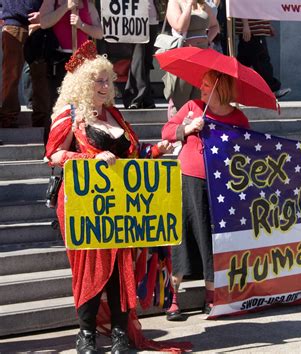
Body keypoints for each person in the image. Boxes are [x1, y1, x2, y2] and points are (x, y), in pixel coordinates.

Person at [44, 40, 175, 353]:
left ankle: (119, 333)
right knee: (89, 269)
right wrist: (91, 159)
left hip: (119, 206)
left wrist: (158, 150)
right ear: (81, 83)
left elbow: (133, 155)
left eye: (108, 79)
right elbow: (53, 155)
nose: (105, 85)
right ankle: (86, 334)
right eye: (97, 80)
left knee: (120, 270)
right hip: (83, 206)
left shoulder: (115, 115)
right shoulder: (70, 116)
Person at [161, 70, 250, 321]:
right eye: (201, 84)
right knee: (183, 237)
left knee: (212, 241)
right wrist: (188, 128)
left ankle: (211, 297)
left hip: (221, 186)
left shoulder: (238, 118)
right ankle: (173, 298)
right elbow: (166, 131)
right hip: (188, 179)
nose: (201, 89)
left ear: (221, 89)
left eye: (206, 85)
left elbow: (246, 152)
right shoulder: (192, 107)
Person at [39, 0, 102, 116]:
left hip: (82, 59)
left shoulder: (88, 5)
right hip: (59, 60)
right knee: (57, 101)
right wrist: (65, 8)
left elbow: (99, 33)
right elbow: (43, 22)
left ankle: (78, 131)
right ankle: (56, 131)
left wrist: (81, 25)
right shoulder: (52, 1)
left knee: (81, 100)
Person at [163, 0, 219, 118]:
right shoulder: (174, 3)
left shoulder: (203, 4)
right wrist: (189, 5)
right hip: (184, 56)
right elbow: (180, 27)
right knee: (180, 96)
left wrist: (207, 40)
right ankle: (176, 128)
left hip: (203, 57)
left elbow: (215, 26)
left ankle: (195, 130)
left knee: (199, 96)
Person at [0, 0, 49, 130]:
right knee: (11, 74)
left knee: (41, 73)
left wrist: (44, 13)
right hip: (13, 22)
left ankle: (41, 118)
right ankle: (8, 116)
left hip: (40, 24)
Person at [236, 18, 291, 99]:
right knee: (261, 60)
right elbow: (242, 7)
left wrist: (266, 25)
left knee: (244, 61)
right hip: (253, 30)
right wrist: (246, 25)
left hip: (254, 29)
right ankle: (272, 89)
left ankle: (234, 89)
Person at [122, 0, 164, 109]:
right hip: (135, 18)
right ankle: (134, 97)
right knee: (138, 59)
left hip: (151, 19)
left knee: (146, 61)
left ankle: (145, 98)